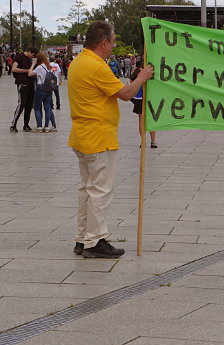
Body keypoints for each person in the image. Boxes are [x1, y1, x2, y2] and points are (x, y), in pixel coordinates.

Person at [68, 21, 154, 258]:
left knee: (87, 189)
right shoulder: (96, 66)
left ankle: (83, 238)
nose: (114, 45)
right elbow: (126, 94)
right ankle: (95, 241)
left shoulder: (79, 62)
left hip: (83, 134)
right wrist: (143, 76)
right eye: (113, 41)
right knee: (99, 191)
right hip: (98, 136)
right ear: (104, 42)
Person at [10, 46, 39, 133]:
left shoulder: (32, 60)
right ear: (29, 51)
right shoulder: (19, 56)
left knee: (29, 105)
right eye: (32, 55)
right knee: (21, 104)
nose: (33, 57)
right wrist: (26, 71)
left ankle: (26, 124)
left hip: (31, 83)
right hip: (22, 83)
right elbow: (14, 69)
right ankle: (13, 124)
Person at [130, 61, 157, 148]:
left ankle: (143, 142)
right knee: (151, 119)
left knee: (141, 120)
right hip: (149, 97)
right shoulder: (149, 72)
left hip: (138, 98)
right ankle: (153, 141)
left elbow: (131, 82)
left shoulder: (136, 73)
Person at [28, 53, 56, 132]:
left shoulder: (39, 67)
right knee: (47, 107)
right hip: (48, 88)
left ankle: (39, 127)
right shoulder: (48, 66)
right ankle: (46, 126)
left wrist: (33, 65)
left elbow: (30, 74)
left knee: (37, 108)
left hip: (40, 87)